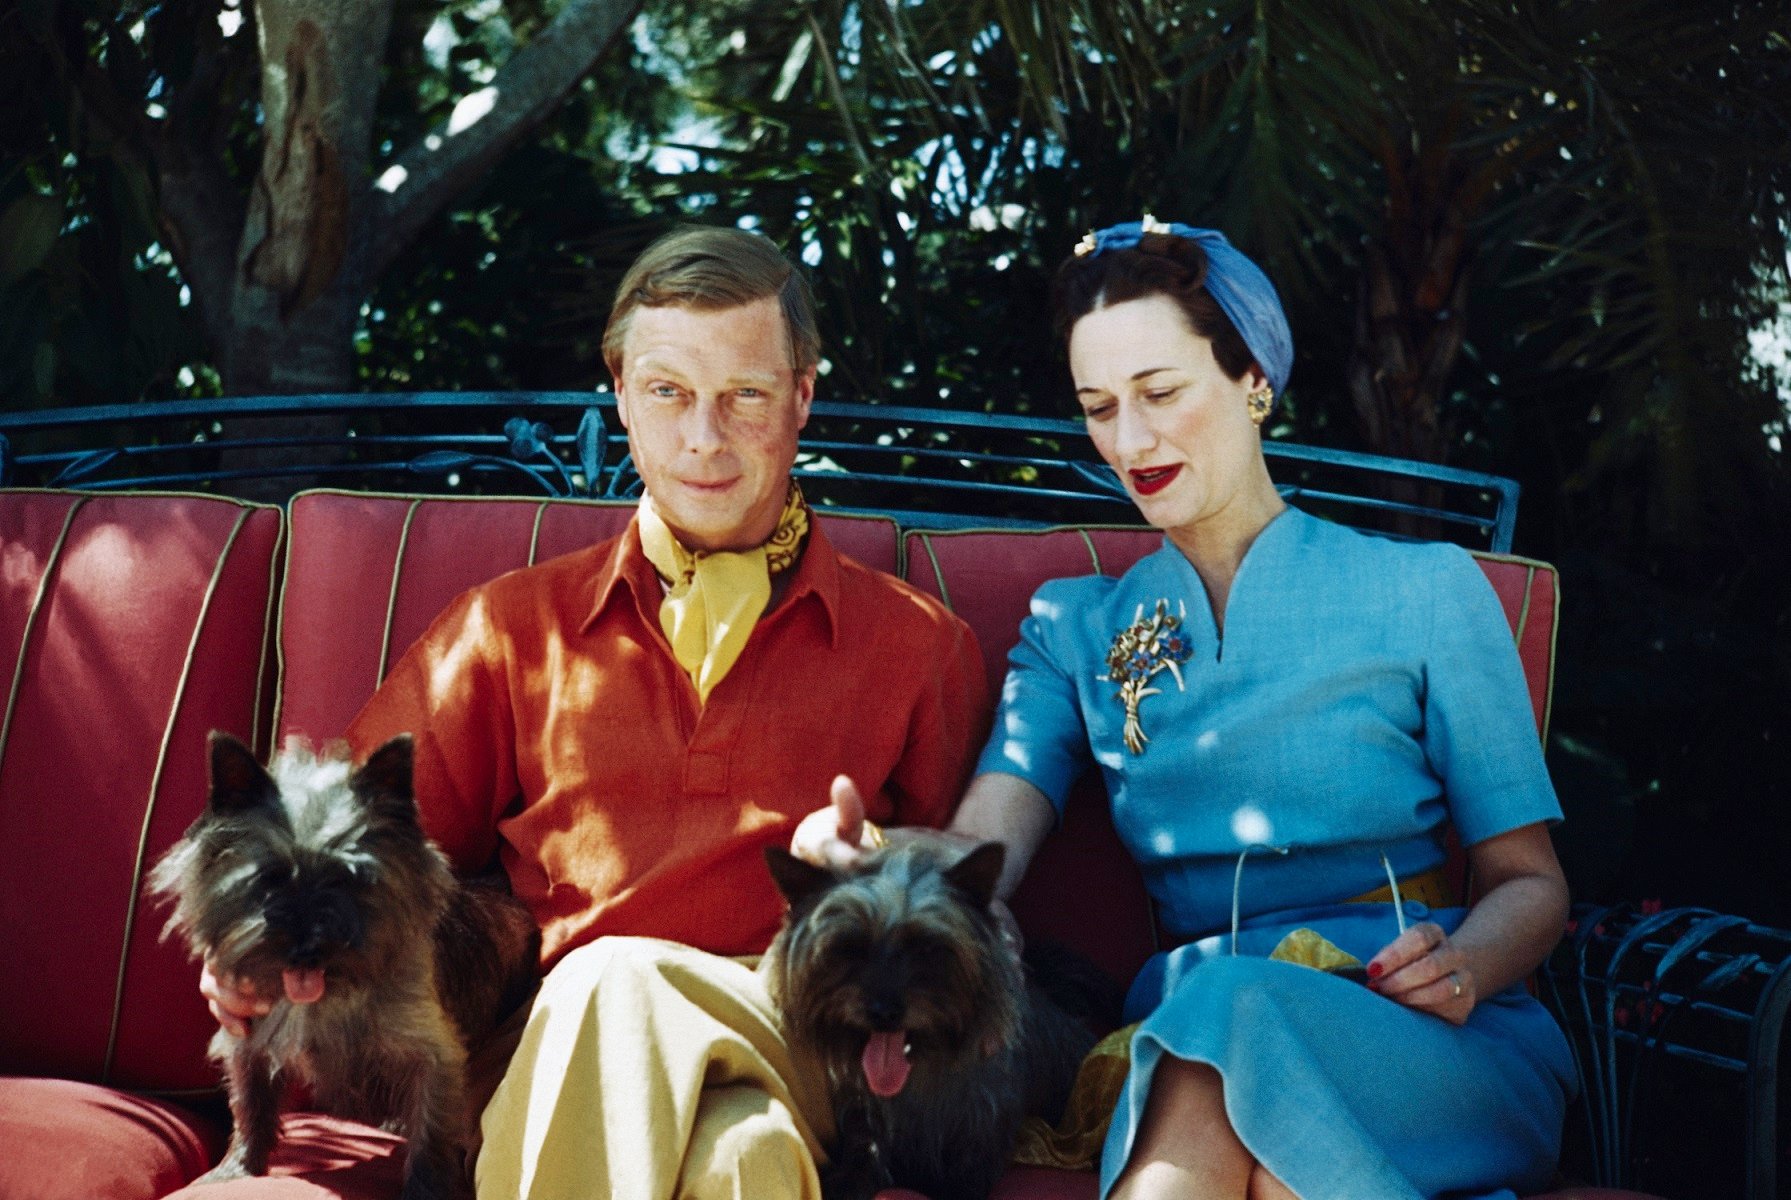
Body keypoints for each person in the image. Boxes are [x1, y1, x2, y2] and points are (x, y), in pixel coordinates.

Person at [190, 224, 990, 1200]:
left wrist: (888, 855)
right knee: (745, 1157)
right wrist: (253, 957)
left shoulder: (921, 646)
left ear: (803, 396)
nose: (704, 437)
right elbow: (348, 851)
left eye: (745, 394)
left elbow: (963, 927)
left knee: (622, 982)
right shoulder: (508, 630)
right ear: (618, 396)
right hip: (552, 1046)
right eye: (668, 392)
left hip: (804, 1029)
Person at [798, 217, 1575, 1200]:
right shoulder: (1074, 627)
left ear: (1254, 379)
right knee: (1238, 1079)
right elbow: (989, 841)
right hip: (1190, 1032)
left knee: (1236, 1040)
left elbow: (1532, 884)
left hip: (1428, 1035)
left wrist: (1464, 963)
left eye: (1161, 393)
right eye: (1099, 407)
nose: (1131, 440)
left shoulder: (1427, 591)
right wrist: (888, 859)